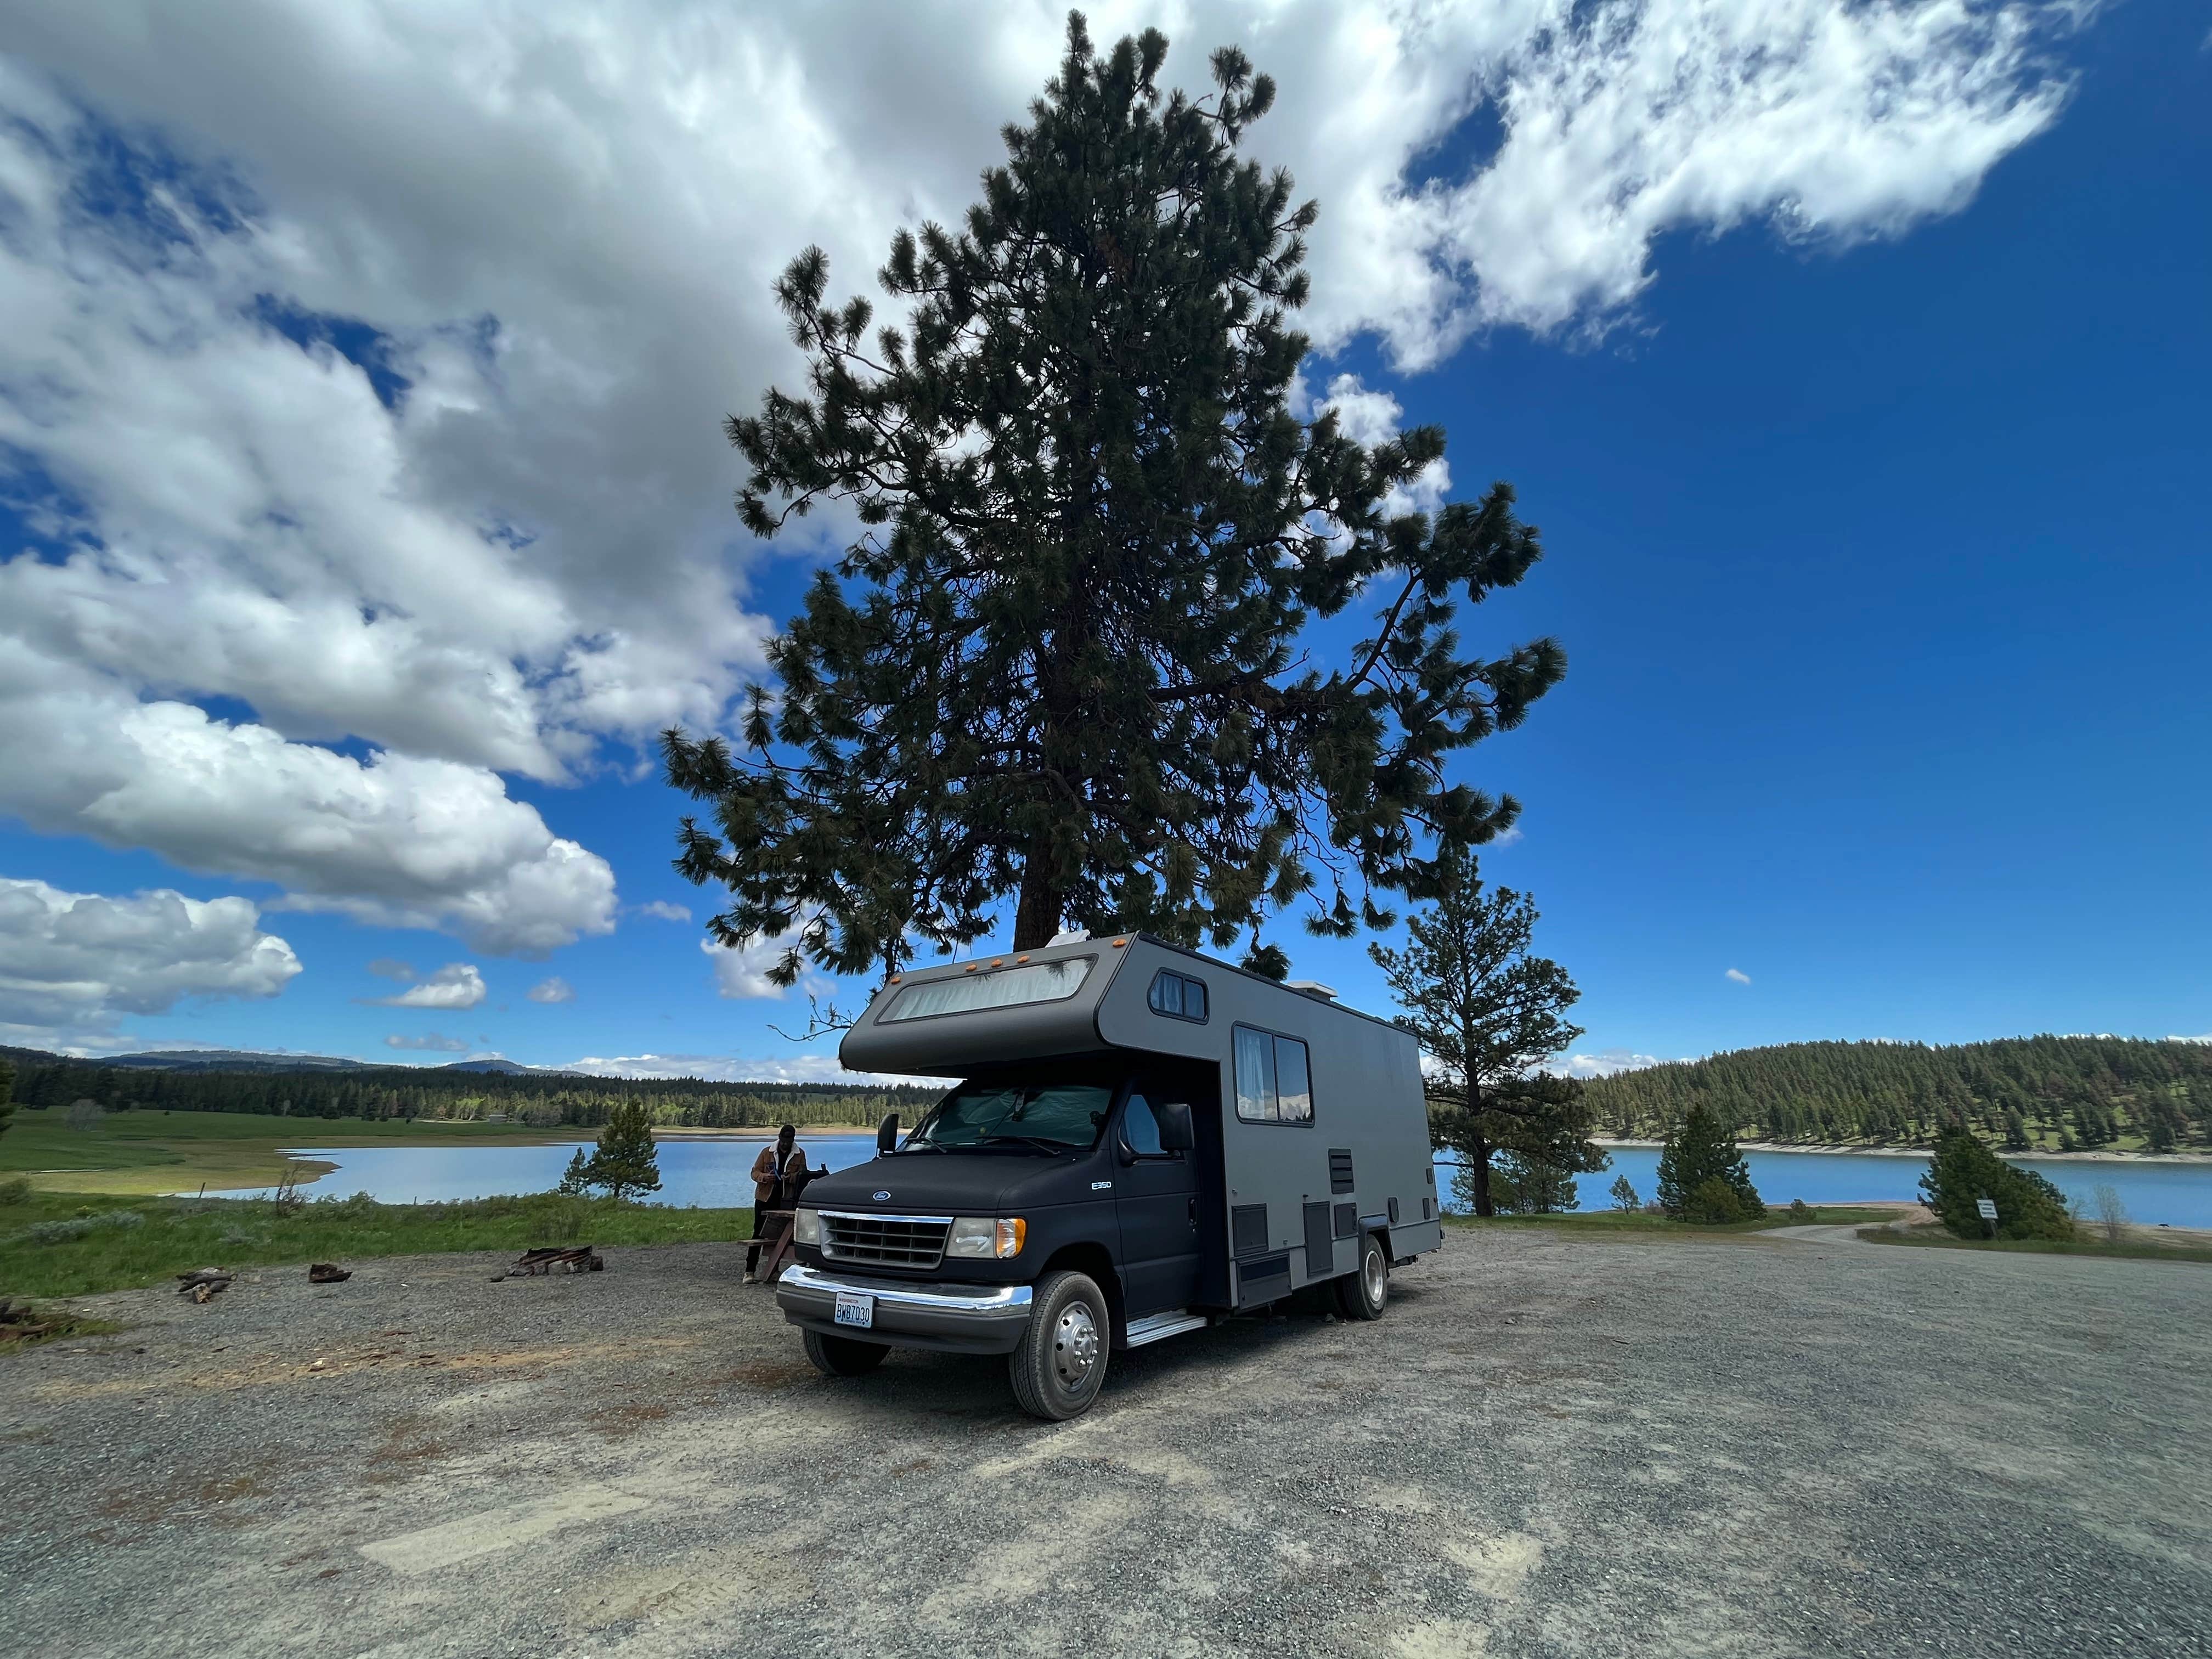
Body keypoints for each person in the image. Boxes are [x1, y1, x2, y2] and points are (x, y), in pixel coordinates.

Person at [744, 1124, 811, 1283]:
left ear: (793, 1139)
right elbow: (754, 1172)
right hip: (764, 1198)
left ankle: (774, 1270)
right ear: (779, 1138)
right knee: (758, 1232)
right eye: (783, 1140)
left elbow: (803, 1175)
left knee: (780, 1235)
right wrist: (764, 1177)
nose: (785, 1144)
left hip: (785, 1199)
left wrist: (791, 1178)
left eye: (789, 1141)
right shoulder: (766, 1152)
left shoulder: (800, 1154)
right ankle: (749, 1271)